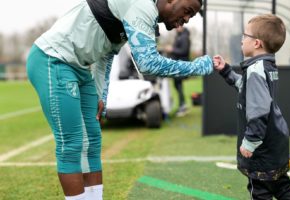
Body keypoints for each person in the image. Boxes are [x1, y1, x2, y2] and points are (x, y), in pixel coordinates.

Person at [26, 0, 211, 199]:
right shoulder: (142, 5)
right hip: (52, 59)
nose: (185, 20)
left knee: (93, 141)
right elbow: (147, 63)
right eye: (188, 11)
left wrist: (100, 94)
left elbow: (106, 54)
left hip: (79, 68)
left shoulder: (145, 11)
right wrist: (197, 67)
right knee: (72, 143)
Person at [213, 14, 290, 200]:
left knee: (260, 191)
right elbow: (245, 88)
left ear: (256, 43)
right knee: (282, 188)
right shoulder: (266, 66)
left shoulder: (255, 71)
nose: (242, 39)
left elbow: (260, 109)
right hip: (275, 144)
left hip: (262, 149)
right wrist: (226, 70)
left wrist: (250, 141)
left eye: (245, 35)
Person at [165, 26, 190, 117]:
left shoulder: (184, 37)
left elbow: (184, 51)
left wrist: (172, 49)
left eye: (179, 26)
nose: (177, 27)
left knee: (178, 85)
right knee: (177, 85)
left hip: (181, 65)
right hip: (177, 65)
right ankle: (181, 105)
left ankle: (183, 106)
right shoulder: (178, 36)